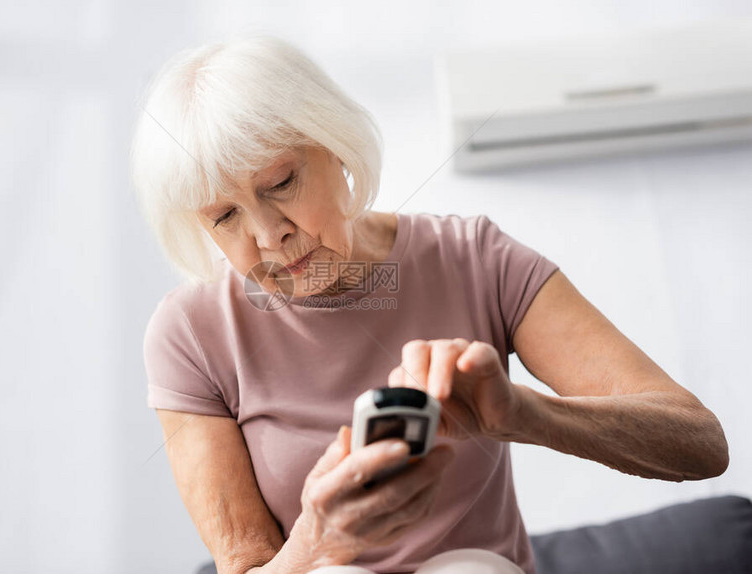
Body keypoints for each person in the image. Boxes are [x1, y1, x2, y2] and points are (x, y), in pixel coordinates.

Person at [131, 35, 729, 574]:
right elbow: (246, 564)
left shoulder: (476, 258)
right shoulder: (190, 334)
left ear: (335, 149)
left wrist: (522, 414)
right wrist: (317, 542)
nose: (267, 236)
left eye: (280, 183)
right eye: (225, 216)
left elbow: (700, 444)